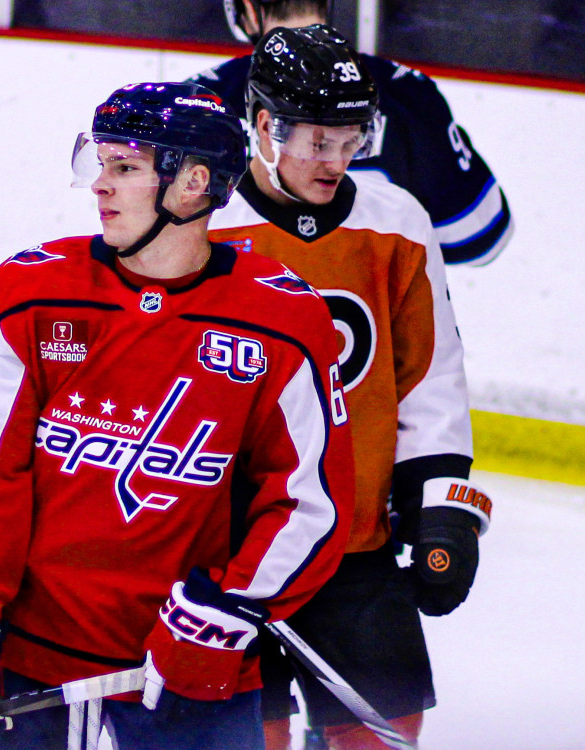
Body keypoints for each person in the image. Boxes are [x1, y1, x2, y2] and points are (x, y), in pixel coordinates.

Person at [0, 80, 356, 750]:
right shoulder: (31, 295)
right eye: (101, 163)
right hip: (30, 670)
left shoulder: (283, 322)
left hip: (190, 671)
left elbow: (308, 501)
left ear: (192, 183)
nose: (100, 186)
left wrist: (230, 611)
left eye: (126, 168)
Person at [206, 26, 494, 750]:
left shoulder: (395, 224)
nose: (337, 160)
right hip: (227, 551)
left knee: (387, 733)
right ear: (265, 125)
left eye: (350, 140)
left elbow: (428, 375)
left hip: (355, 543)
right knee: (246, 737)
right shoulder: (205, 225)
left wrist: (441, 506)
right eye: (317, 141)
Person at [191, 0, 513, 266]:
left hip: (237, 335)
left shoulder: (200, 98)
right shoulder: (410, 95)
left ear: (246, 7)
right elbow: (480, 238)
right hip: (371, 334)